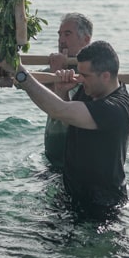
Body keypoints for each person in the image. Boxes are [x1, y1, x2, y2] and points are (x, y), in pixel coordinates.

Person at [13, 40, 129, 218]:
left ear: (105, 76)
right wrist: (62, 92)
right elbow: (69, 119)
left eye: (85, 75)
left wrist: (20, 74)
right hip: (72, 192)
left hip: (102, 204)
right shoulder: (91, 90)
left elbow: (58, 109)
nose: (80, 79)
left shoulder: (115, 109)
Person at [44, 13, 93, 170]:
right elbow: (27, 83)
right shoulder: (52, 69)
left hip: (76, 162)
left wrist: (57, 74)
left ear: (85, 40)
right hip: (52, 159)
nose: (61, 40)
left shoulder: (92, 75)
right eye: (59, 34)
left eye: (67, 34)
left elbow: (66, 112)